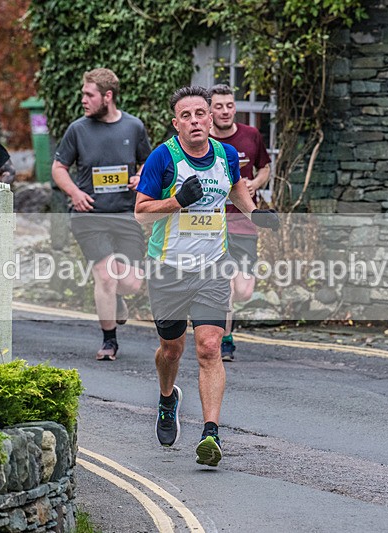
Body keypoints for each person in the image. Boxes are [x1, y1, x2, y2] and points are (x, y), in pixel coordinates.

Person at [135, 86, 279, 467]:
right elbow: (141, 213)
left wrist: (256, 214)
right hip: (167, 269)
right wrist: (176, 201)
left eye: (201, 113)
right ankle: (168, 398)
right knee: (172, 349)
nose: (196, 121)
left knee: (209, 347)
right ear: (176, 123)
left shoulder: (227, 155)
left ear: (211, 117)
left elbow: (236, 190)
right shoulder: (162, 159)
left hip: (213, 267)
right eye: (187, 116)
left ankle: (210, 433)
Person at [51, 68, 152, 361]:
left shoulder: (133, 127)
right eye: (83, 94)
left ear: (107, 97)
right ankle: (109, 340)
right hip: (89, 215)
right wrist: (74, 193)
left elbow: (147, 162)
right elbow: (59, 168)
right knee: (106, 276)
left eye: (89, 94)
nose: (83, 99)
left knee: (132, 282)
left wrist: (140, 178)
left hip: (125, 214)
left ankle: (118, 299)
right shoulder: (77, 129)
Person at [209, 84, 272, 362]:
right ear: (210, 110)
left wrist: (253, 184)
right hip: (212, 225)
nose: (225, 111)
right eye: (219, 106)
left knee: (244, 290)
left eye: (229, 105)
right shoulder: (202, 141)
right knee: (227, 286)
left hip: (245, 223)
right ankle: (225, 339)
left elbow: (265, 169)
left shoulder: (251, 135)